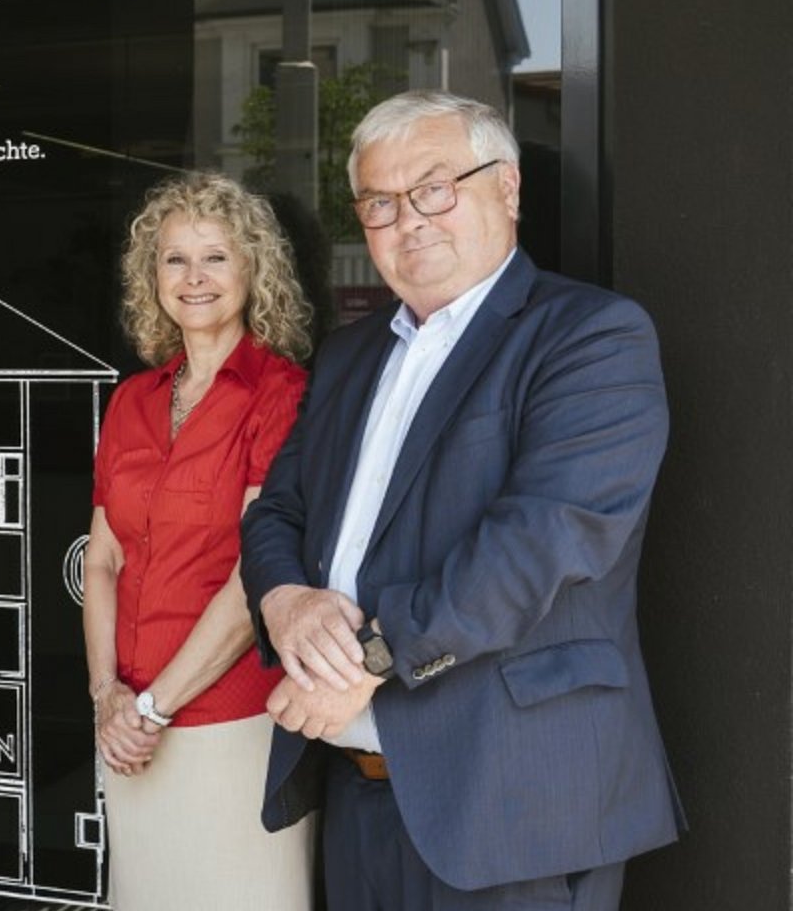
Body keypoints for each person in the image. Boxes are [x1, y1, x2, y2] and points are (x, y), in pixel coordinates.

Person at [241, 90, 684, 909]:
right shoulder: (347, 355)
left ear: (507, 189)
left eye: (435, 188)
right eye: (380, 202)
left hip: (515, 803)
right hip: (357, 794)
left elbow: (539, 543)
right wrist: (287, 600)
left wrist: (368, 661)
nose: (409, 221)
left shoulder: (590, 336)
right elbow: (276, 510)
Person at [83, 172, 317, 908]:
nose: (194, 278)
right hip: (126, 732)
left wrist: (153, 709)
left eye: (215, 257)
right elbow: (103, 559)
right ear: (150, 278)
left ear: (253, 269)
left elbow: (256, 577)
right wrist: (106, 697)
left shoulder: (282, 395)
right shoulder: (132, 399)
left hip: (232, 723)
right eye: (174, 259)